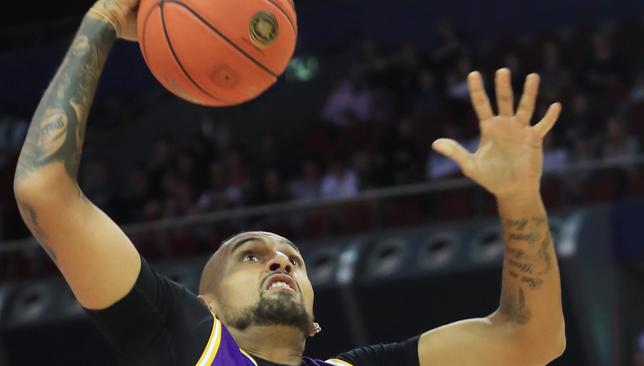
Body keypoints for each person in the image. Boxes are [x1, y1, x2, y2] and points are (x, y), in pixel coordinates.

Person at [12, 0, 566, 365]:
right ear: (207, 304)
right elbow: (45, 193)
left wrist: (519, 199)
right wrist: (103, 19)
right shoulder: (183, 339)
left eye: (294, 260)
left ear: (317, 319)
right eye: (250, 257)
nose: (281, 262)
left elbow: (532, 340)